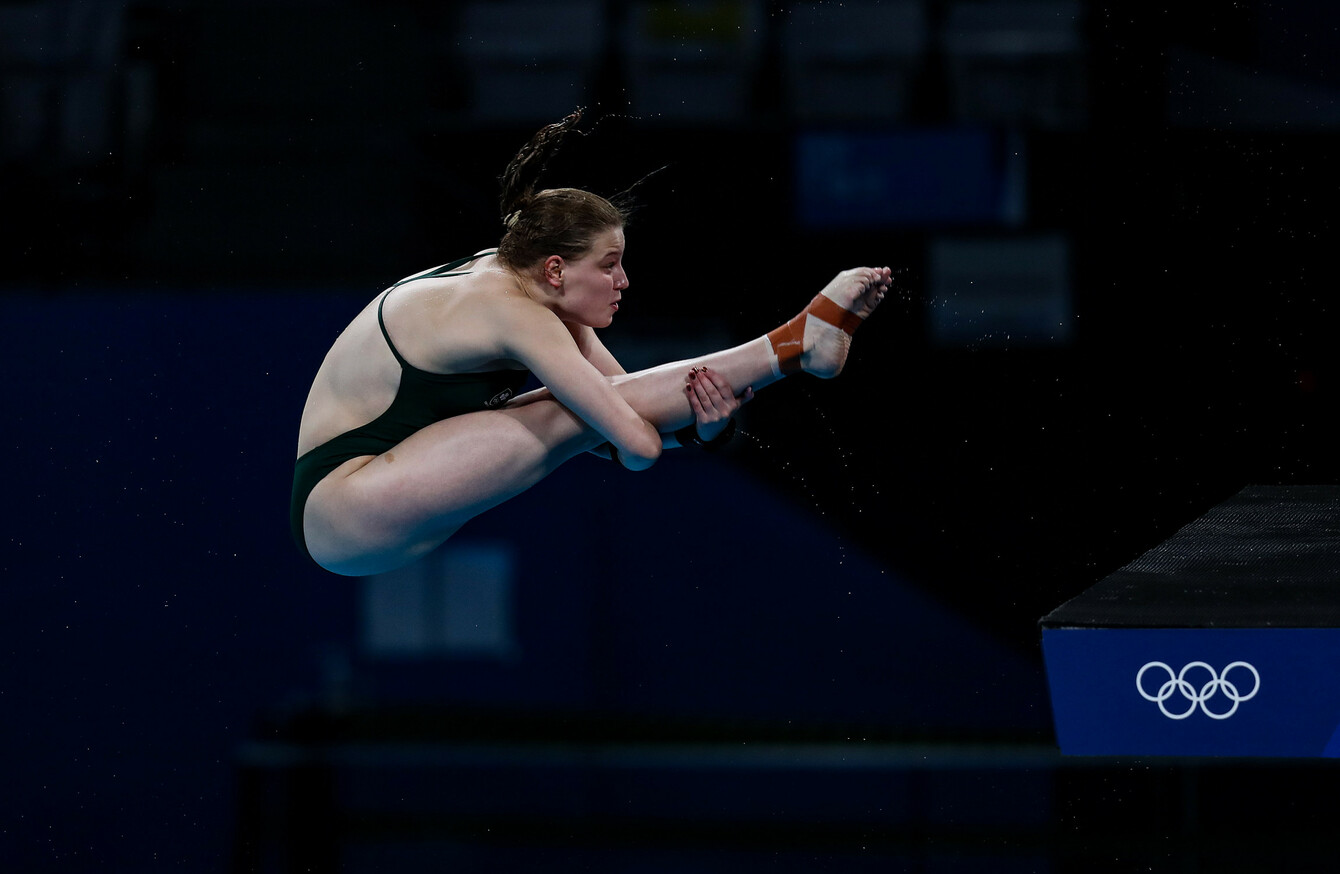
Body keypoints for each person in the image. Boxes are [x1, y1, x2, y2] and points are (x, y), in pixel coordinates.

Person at [292, 111, 892, 576]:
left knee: (580, 411)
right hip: (346, 511)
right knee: (565, 416)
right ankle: (793, 344)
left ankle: (800, 346)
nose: (623, 282)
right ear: (556, 269)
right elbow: (634, 445)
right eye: (609, 265)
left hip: (387, 497)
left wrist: (708, 430)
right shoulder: (510, 310)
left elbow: (620, 409)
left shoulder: (532, 286)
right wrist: (665, 429)